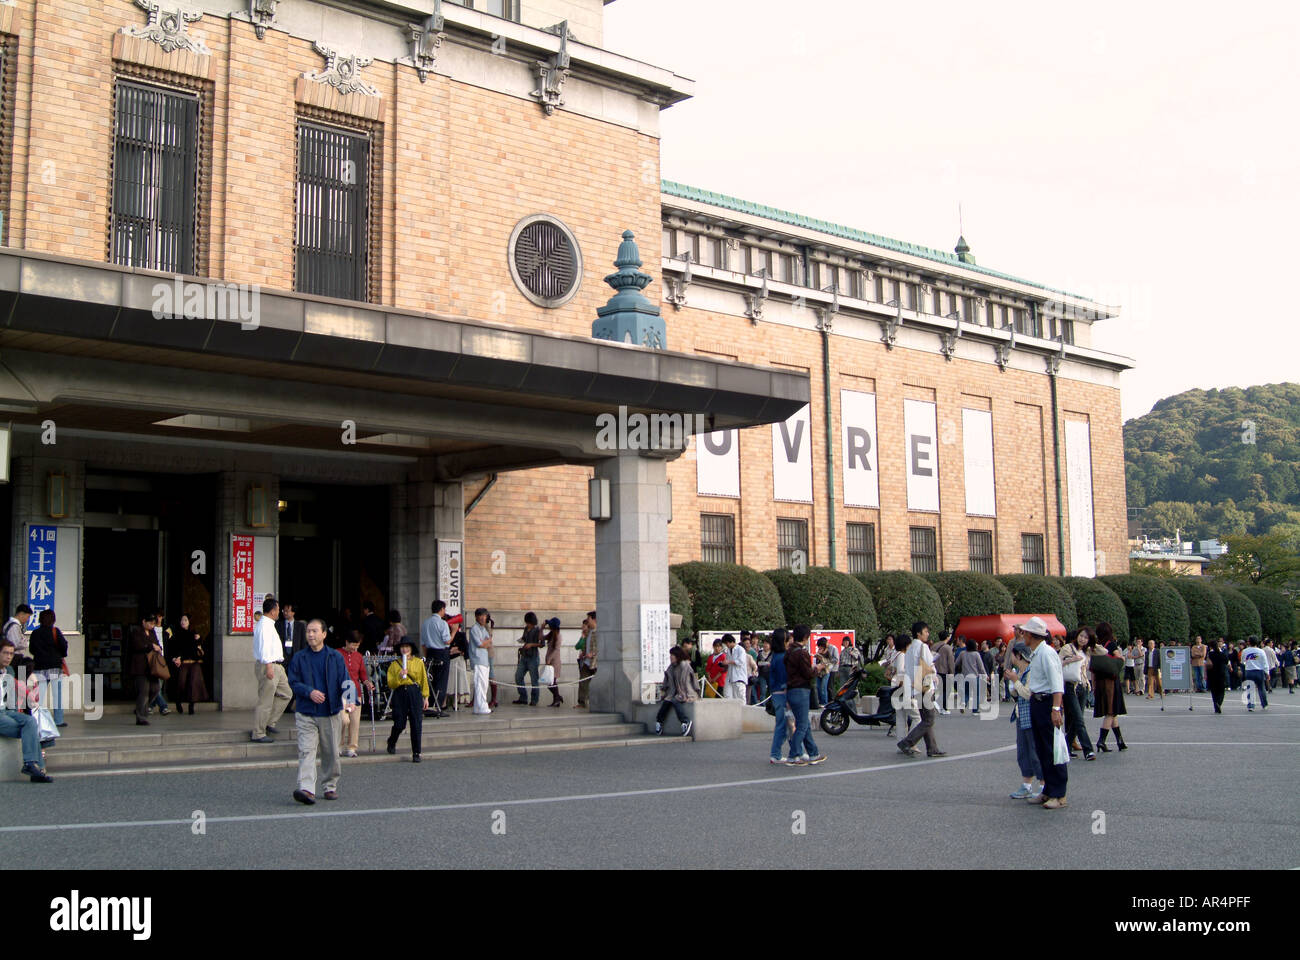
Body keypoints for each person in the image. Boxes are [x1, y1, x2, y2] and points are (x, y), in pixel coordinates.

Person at [287, 619, 349, 803]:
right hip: (306, 712)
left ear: (324, 634)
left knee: (331, 752)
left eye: (314, 631)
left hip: (330, 712)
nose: (311, 635)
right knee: (306, 751)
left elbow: (345, 680)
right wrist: (309, 692)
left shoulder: (335, 657)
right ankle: (306, 789)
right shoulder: (299, 657)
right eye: (308, 632)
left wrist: (350, 702)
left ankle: (330, 786)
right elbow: (293, 682)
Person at [1018, 617, 1067, 809]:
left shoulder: (1046, 653)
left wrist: (1056, 708)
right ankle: (1048, 790)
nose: (1022, 636)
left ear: (1031, 635)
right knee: (1041, 748)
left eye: (1024, 633)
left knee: (1051, 749)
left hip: (1047, 702)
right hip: (1037, 701)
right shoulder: (1037, 653)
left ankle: (1059, 793)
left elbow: (1057, 683)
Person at [0, 638, 52, 781]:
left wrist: (15, 711)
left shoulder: (9, 671)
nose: (8, 657)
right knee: (30, 730)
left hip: (8, 711)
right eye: (5, 653)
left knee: (30, 722)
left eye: (11, 654)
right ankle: (37, 767)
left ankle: (30, 764)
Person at [897, 621, 944, 758]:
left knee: (926, 718)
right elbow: (929, 664)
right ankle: (907, 742)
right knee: (929, 719)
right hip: (925, 685)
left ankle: (932, 748)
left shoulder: (910, 648)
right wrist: (933, 672)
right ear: (919, 633)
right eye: (926, 632)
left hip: (916, 686)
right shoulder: (923, 646)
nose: (928, 634)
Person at [1004, 641, 1042, 800]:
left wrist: (1015, 681)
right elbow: (1016, 695)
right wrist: (1013, 682)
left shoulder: (1032, 671)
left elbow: (1027, 693)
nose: (1011, 658)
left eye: (1012, 655)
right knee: (1023, 752)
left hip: (1031, 715)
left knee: (1035, 752)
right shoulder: (1018, 671)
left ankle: (1042, 786)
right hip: (1021, 715)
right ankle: (1026, 784)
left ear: (1018, 655)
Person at [251, 597, 291, 742]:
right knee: (265, 700)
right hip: (269, 665)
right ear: (273, 610)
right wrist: (268, 666)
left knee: (286, 693)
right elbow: (264, 647)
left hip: (277, 665)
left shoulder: (269, 624)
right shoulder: (264, 625)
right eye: (278, 609)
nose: (279, 612)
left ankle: (269, 722)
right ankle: (259, 732)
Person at [783, 627, 824, 765]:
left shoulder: (789, 652)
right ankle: (793, 755)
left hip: (791, 690)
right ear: (805, 637)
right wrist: (817, 669)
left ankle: (813, 753)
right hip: (801, 690)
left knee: (804, 722)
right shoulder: (802, 653)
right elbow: (808, 673)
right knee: (802, 725)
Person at [386, 635, 429, 762]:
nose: (405, 650)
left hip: (414, 692)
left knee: (416, 723)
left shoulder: (418, 662)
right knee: (399, 723)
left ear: (411, 648)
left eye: (407, 647)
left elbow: (423, 680)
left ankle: (416, 752)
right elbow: (391, 683)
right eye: (402, 647)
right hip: (400, 693)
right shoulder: (394, 664)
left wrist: (425, 697)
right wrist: (399, 676)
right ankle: (392, 740)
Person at [1089, 621, 1127, 751]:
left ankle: (1120, 741)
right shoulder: (1111, 644)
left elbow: (1093, 669)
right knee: (1111, 712)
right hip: (1111, 681)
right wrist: (1120, 661)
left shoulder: (1096, 646)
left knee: (1112, 712)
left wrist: (1093, 685)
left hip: (1099, 681)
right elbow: (1119, 658)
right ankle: (1101, 740)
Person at [1059, 629, 1095, 760]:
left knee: (1076, 719)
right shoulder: (1067, 648)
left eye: (1086, 638)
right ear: (1077, 636)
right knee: (1079, 719)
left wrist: (1094, 643)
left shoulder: (1087, 651)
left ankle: (1065, 747)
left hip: (1083, 686)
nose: (1083, 639)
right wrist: (1071, 659)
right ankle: (1088, 750)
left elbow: (1104, 652)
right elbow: (1057, 664)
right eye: (1081, 636)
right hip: (1070, 686)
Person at [29, 609, 68, 727]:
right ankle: (58, 720)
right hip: (55, 667)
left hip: (39, 667)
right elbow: (63, 646)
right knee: (58, 695)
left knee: (38, 696)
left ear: (40, 619)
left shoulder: (35, 633)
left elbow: (32, 650)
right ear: (53, 620)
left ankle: (36, 718)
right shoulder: (55, 631)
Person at [339, 631, 372, 757]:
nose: (355, 648)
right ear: (347, 642)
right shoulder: (337, 653)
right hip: (341, 691)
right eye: (353, 645)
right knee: (343, 720)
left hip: (355, 691)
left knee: (354, 721)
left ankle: (352, 747)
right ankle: (339, 745)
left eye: (357, 646)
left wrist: (367, 682)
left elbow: (362, 673)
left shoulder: (358, 656)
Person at [171, 614, 209, 715]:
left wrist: (198, 639)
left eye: (185, 620)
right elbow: (174, 648)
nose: (183, 622)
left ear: (189, 622)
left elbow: (196, 648)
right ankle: (178, 701)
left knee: (194, 684)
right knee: (181, 683)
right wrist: (176, 658)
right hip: (182, 662)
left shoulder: (194, 634)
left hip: (194, 662)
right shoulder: (176, 634)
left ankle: (191, 705)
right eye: (182, 620)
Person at [654, 645, 696, 736]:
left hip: (687, 692)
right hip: (674, 692)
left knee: (675, 700)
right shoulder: (671, 667)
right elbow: (666, 679)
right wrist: (664, 691)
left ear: (677, 655)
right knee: (667, 701)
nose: (670, 657)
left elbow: (687, 682)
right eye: (670, 655)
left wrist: (684, 694)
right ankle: (659, 722)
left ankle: (685, 722)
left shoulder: (685, 666)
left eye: (672, 655)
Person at [130, 613, 163, 727]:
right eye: (150, 623)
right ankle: (141, 717)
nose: (151, 626)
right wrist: (151, 646)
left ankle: (141, 708)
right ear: (144, 621)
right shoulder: (136, 632)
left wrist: (158, 648)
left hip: (152, 667)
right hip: (140, 667)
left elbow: (158, 644)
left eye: (153, 624)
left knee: (155, 688)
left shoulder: (153, 632)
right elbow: (138, 645)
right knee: (143, 691)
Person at [421, 600, 452, 716]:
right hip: (441, 653)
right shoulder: (442, 623)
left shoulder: (425, 623)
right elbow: (447, 641)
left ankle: (428, 705)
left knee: (431, 680)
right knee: (441, 681)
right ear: (442, 609)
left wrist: (426, 657)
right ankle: (437, 707)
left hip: (429, 653)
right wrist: (453, 631)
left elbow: (423, 644)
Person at [767, 629, 792, 764]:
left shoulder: (775, 655)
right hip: (782, 694)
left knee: (786, 724)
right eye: (787, 640)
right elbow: (784, 680)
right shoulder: (782, 657)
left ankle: (795, 751)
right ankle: (776, 754)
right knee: (784, 725)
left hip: (776, 694)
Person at [468, 608, 494, 715]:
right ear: (476, 617)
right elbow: (480, 644)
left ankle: (479, 707)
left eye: (485, 616)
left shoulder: (483, 629)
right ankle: (481, 707)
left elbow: (488, 644)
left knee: (484, 685)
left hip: (484, 659)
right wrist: (487, 641)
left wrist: (486, 642)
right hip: (478, 659)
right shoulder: (474, 629)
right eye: (481, 616)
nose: (483, 618)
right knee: (480, 684)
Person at [513, 612, 543, 706]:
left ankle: (534, 699)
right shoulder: (526, 629)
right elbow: (524, 638)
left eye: (529, 623)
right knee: (518, 676)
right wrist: (522, 640)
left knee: (534, 680)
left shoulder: (537, 630)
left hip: (533, 657)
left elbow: (542, 644)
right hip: (524, 656)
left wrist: (531, 644)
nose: (527, 624)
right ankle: (523, 697)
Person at [956, 637, 986, 714]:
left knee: (966, 692)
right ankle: (975, 710)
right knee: (976, 693)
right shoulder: (976, 654)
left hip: (965, 676)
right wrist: (985, 675)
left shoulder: (962, 653)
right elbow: (981, 666)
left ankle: (964, 703)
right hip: (975, 676)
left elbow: (956, 663)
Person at [575, 611, 598, 709]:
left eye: (589, 619)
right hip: (586, 662)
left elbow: (601, 647)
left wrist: (592, 654)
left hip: (595, 662)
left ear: (594, 619)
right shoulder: (588, 632)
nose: (587, 621)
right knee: (582, 681)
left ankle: (595, 702)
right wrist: (584, 653)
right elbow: (584, 645)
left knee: (595, 683)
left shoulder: (599, 632)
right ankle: (582, 702)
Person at [1241, 636, 1269, 711]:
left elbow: (1243, 661)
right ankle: (1264, 704)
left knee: (1250, 689)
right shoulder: (1261, 651)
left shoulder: (1245, 651)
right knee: (1261, 688)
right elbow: (1265, 663)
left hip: (1249, 671)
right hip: (1259, 671)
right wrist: (1267, 672)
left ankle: (1251, 705)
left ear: (1249, 642)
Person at [2, 604, 33, 672]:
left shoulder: (12, 625)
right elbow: (15, 644)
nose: (27, 620)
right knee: (21, 675)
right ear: (21, 614)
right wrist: (27, 643)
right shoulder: (14, 626)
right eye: (27, 617)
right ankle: (21, 682)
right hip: (15, 658)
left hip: (16, 658)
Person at [933, 630, 955, 714]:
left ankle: (934, 703)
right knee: (946, 690)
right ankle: (944, 708)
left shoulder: (934, 646)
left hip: (934, 671)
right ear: (947, 637)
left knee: (935, 689)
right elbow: (950, 661)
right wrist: (952, 672)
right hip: (944, 671)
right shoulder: (948, 648)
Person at [543, 617, 564, 706]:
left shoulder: (558, 636)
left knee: (552, 683)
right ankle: (557, 698)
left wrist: (549, 659)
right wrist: (541, 628)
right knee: (550, 682)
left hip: (554, 662)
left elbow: (556, 649)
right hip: (549, 662)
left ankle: (557, 699)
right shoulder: (551, 634)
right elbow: (541, 637)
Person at [1206, 637, 1229, 714]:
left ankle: (1215, 705)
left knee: (1214, 691)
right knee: (1221, 691)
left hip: (1212, 674)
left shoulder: (1210, 654)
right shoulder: (1222, 654)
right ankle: (1219, 703)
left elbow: (1207, 664)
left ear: (1210, 647)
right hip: (1221, 674)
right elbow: (1226, 661)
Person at [277, 603, 305, 667]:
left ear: (293, 612)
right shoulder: (278, 625)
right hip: (282, 656)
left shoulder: (300, 626)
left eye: (287, 611)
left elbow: (303, 642)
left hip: (295, 655)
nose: (285, 613)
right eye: (284, 611)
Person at [837, 636, 863, 702]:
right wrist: (838, 671)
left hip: (850, 667)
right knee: (843, 685)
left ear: (849, 642)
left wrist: (852, 653)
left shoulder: (853, 649)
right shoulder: (842, 651)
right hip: (843, 668)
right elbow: (840, 661)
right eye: (844, 641)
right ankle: (845, 699)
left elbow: (858, 657)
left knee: (852, 685)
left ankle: (857, 700)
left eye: (846, 641)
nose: (845, 643)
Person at [724, 633, 748, 700]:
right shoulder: (728, 650)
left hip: (739, 677)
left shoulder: (740, 650)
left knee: (741, 696)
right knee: (733, 697)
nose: (727, 645)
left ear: (730, 642)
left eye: (727, 643)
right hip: (731, 677)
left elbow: (741, 661)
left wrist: (729, 662)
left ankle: (743, 709)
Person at [755, 637, 772, 703]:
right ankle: (763, 705)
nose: (765, 645)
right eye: (764, 643)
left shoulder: (772, 654)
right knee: (763, 691)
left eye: (767, 643)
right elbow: (757, 663)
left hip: (770, 675)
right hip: (762, 675)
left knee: (771, 691)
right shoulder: (760, 654)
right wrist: (766, 663)